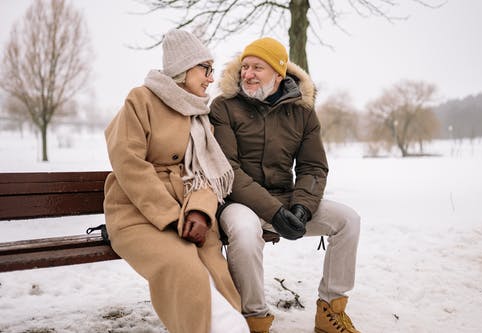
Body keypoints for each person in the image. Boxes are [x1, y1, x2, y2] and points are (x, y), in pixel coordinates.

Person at [209, 37, 361, 333]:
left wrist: (303, 207)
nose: (248, 73)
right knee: (243, 230)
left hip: (287, 198)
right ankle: (254, 320)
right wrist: (275, 212)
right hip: (237, 202)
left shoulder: (302, 112)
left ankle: (330, 310)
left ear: (279, 75)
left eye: (257, 68)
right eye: (245, 67)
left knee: (348, 220)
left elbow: (313, 167)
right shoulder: (224, 107)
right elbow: (229, 171)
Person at [103, 29, 249, 333]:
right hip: (138, 214)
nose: (211, 78)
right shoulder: (140, 100)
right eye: (205, 69)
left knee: (216, 269)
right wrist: (171, 216)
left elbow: (206, 174)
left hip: (188, 213)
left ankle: (233, 326)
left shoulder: (199, 114)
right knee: (183, 267)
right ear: (185, 68)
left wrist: (198, 212)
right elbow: (128, 162)